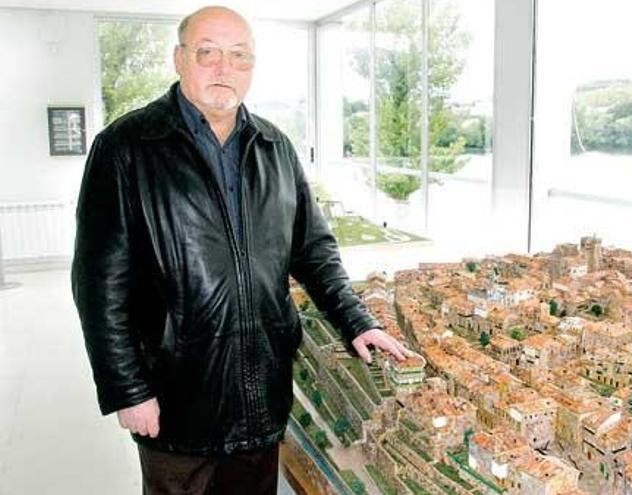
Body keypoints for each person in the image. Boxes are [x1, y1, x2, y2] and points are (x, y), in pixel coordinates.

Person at [71, 6, 415, 494]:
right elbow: (98, 286)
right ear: (179, 58)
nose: (222, 68)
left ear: (252, 68)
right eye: (207, 52)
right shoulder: (126, 148)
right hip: (176, 400)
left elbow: (314, 251)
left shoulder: (275, 147)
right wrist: (128, 390)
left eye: (239, 56)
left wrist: (358, 320)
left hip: (261, 396)